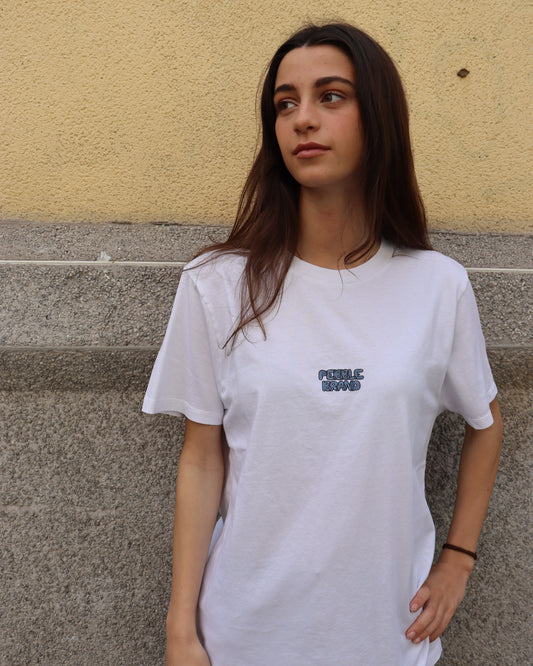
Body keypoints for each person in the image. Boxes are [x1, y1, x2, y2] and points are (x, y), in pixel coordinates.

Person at [143, 22, 502, 666]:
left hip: (387, 634)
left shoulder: (438, 286)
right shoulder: (217, 284)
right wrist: (181, 632)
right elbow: (201, 460)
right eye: (285, 104)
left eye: (330, 96)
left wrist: (458, 558)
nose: (303, 119)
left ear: (379, 116)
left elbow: (486, 422)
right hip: (243, 633)